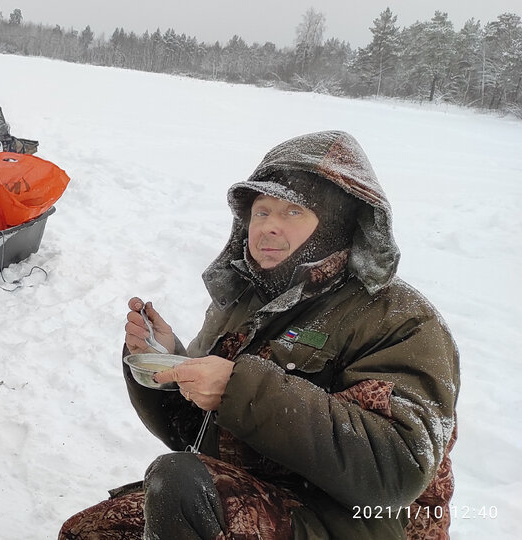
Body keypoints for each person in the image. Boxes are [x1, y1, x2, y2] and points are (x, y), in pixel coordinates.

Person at [59, 131, 459, 539]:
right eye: (262, 212)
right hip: (257, 494)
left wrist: (239, 389)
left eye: (293, 212)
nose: (268, 227)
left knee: (179, 484)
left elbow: (397, 469)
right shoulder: (248, 298)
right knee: (88, 532)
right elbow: (193, 436)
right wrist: (167, 365)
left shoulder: (399, 318)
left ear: (335, 224)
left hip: (356, 523)